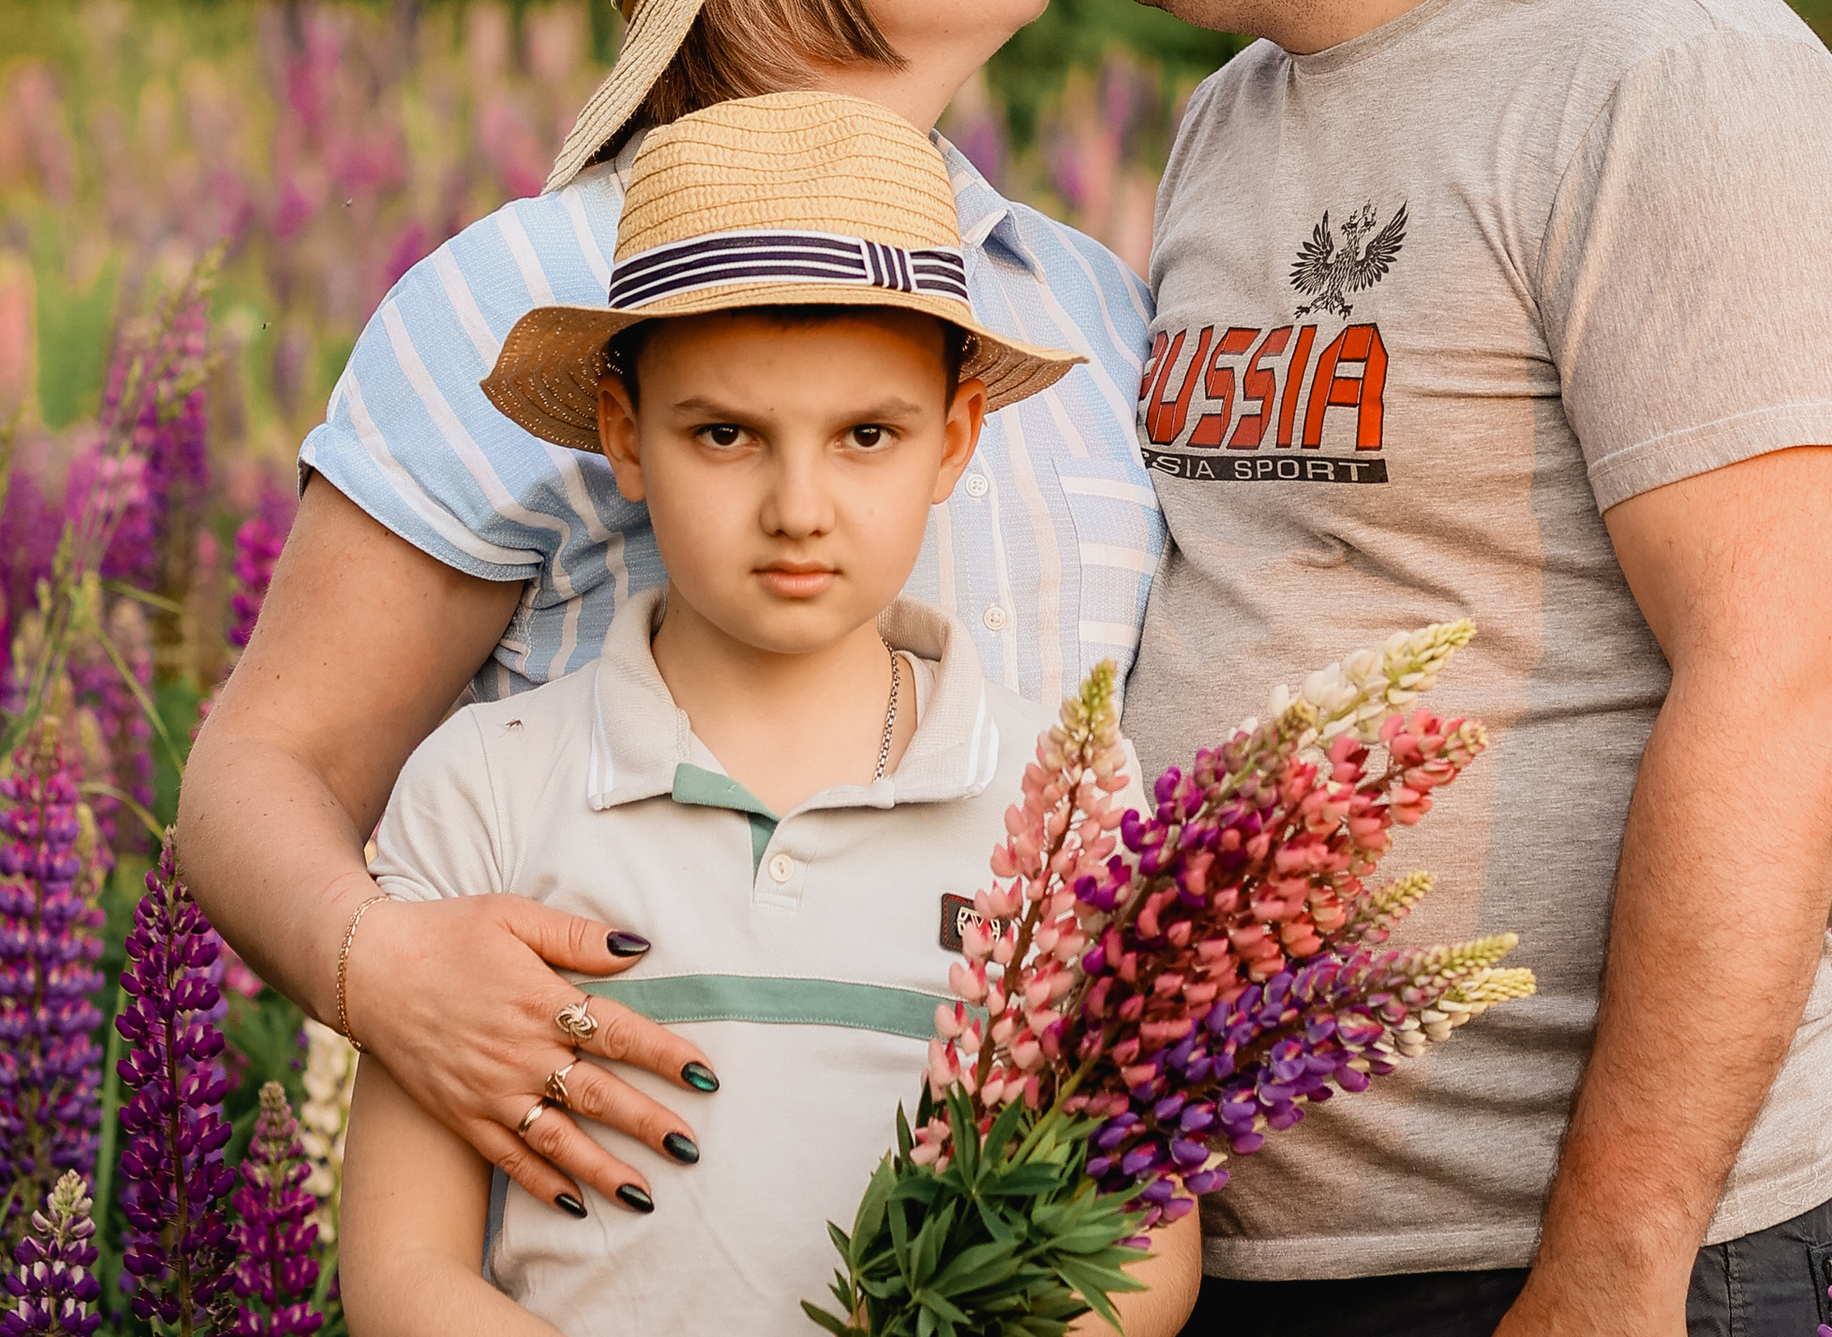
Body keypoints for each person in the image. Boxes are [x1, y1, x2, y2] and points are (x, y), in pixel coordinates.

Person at [946, 0, 1832, 1337]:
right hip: (1211, 1245)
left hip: (1565, 1266)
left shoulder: (1668, 75)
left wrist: (1613, 1266)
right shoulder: (1233, 117)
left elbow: (1780, 681)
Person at [180, 0, 1168, 1223]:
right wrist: (382, 968)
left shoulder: (1071, 299)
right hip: (633, 1241)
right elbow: (261, 769)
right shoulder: (527, 300)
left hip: (1009, 1263)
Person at [337, 91, 1200, 1335]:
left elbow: (1142, 1259)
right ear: (627, 438)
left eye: (865, 434)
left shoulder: (1062, 796)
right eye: (727, 433)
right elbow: (404, 1274)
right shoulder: (486, 782)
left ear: (953, 439)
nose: (799, 505)